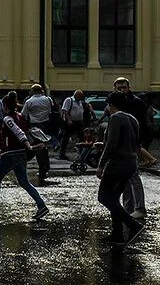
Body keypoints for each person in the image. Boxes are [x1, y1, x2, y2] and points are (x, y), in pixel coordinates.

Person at [0, 92, 49, 221]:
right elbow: (18, 133)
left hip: (11, 154)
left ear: (5, 105)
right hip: (20, 154)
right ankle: (41, 205)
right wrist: (2, 149)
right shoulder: (20, 116)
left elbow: (18, 133)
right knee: (24, 182)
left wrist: (27, 145)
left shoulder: (8, 118)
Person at [98, 92, 146, 246]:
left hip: (117, 164)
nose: (107, 108)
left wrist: (101, 164)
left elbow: (112, 144)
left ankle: (134, 226)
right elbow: (136, 143)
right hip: (131, 163)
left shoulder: (116, 117)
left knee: (104, 197)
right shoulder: (133, 119)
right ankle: (117, 234)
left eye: (108, 105)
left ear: (111, 104)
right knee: (114, 199)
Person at [112, 76, 151, 219]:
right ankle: (129, 208)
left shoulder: (136, 102)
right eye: (119, 88)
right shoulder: (117, 102)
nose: (122, 90)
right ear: (115, 88)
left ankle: (139, 208)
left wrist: (139, 144)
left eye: (124, 87)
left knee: (133, 176)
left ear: (129, 87)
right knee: (126, 177)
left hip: (132, 144)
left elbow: (142, 124)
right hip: (123, 144)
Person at [22, 84, 54, 180]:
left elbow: (23, 114)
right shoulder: (48, 99)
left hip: (35, 126)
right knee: (44, 148)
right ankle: (45, 167)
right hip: (46, 125)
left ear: (33, 91)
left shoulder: (29, 101)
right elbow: (51, 110)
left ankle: (42, 169)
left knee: (38, 148)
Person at [58, 90, 91, 160]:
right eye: (80, 96)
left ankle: (81, 154)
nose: (81, 98)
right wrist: (69, 120)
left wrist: (82, 122)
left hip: (78, 122)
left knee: (82, 137)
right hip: (70, 121)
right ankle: (62, 154)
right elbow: (64, 110)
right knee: (66, 137)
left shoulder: (79, 102)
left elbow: (80, 112)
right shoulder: (69, 100)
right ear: (76, 95)